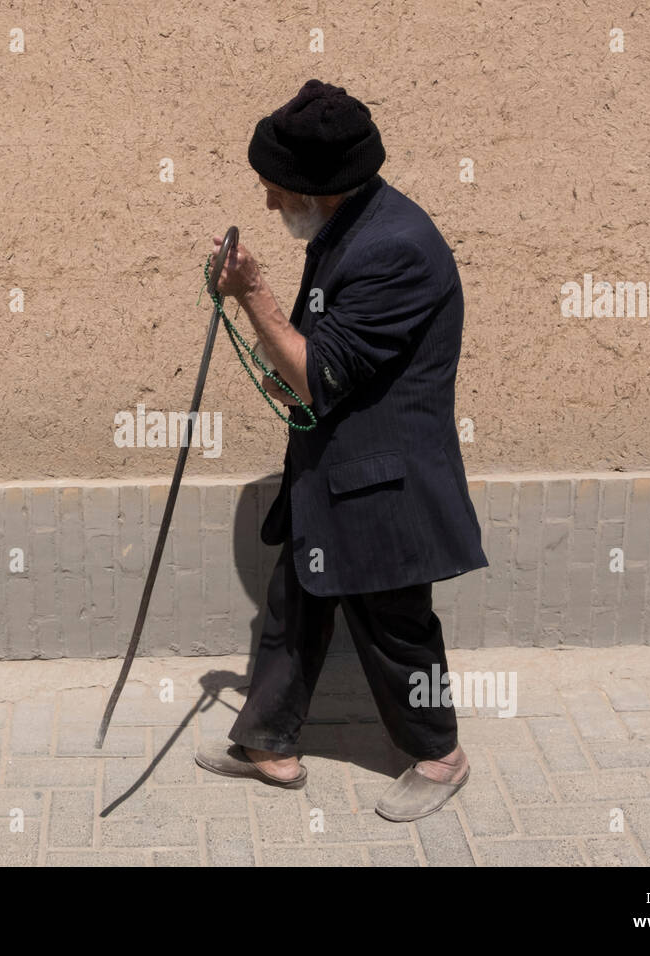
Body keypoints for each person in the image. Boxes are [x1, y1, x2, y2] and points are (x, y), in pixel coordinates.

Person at [196, 79, 489, 822]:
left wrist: (253, 290)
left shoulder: (393, 248)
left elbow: (318, 374)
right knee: (294, 606)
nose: (267, 204)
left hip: (382, 483)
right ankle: (267, 741)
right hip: (332, 472)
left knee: (395, 625)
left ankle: (441, 757)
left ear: (317, 189)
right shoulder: (350, 226)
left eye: (275, 190)